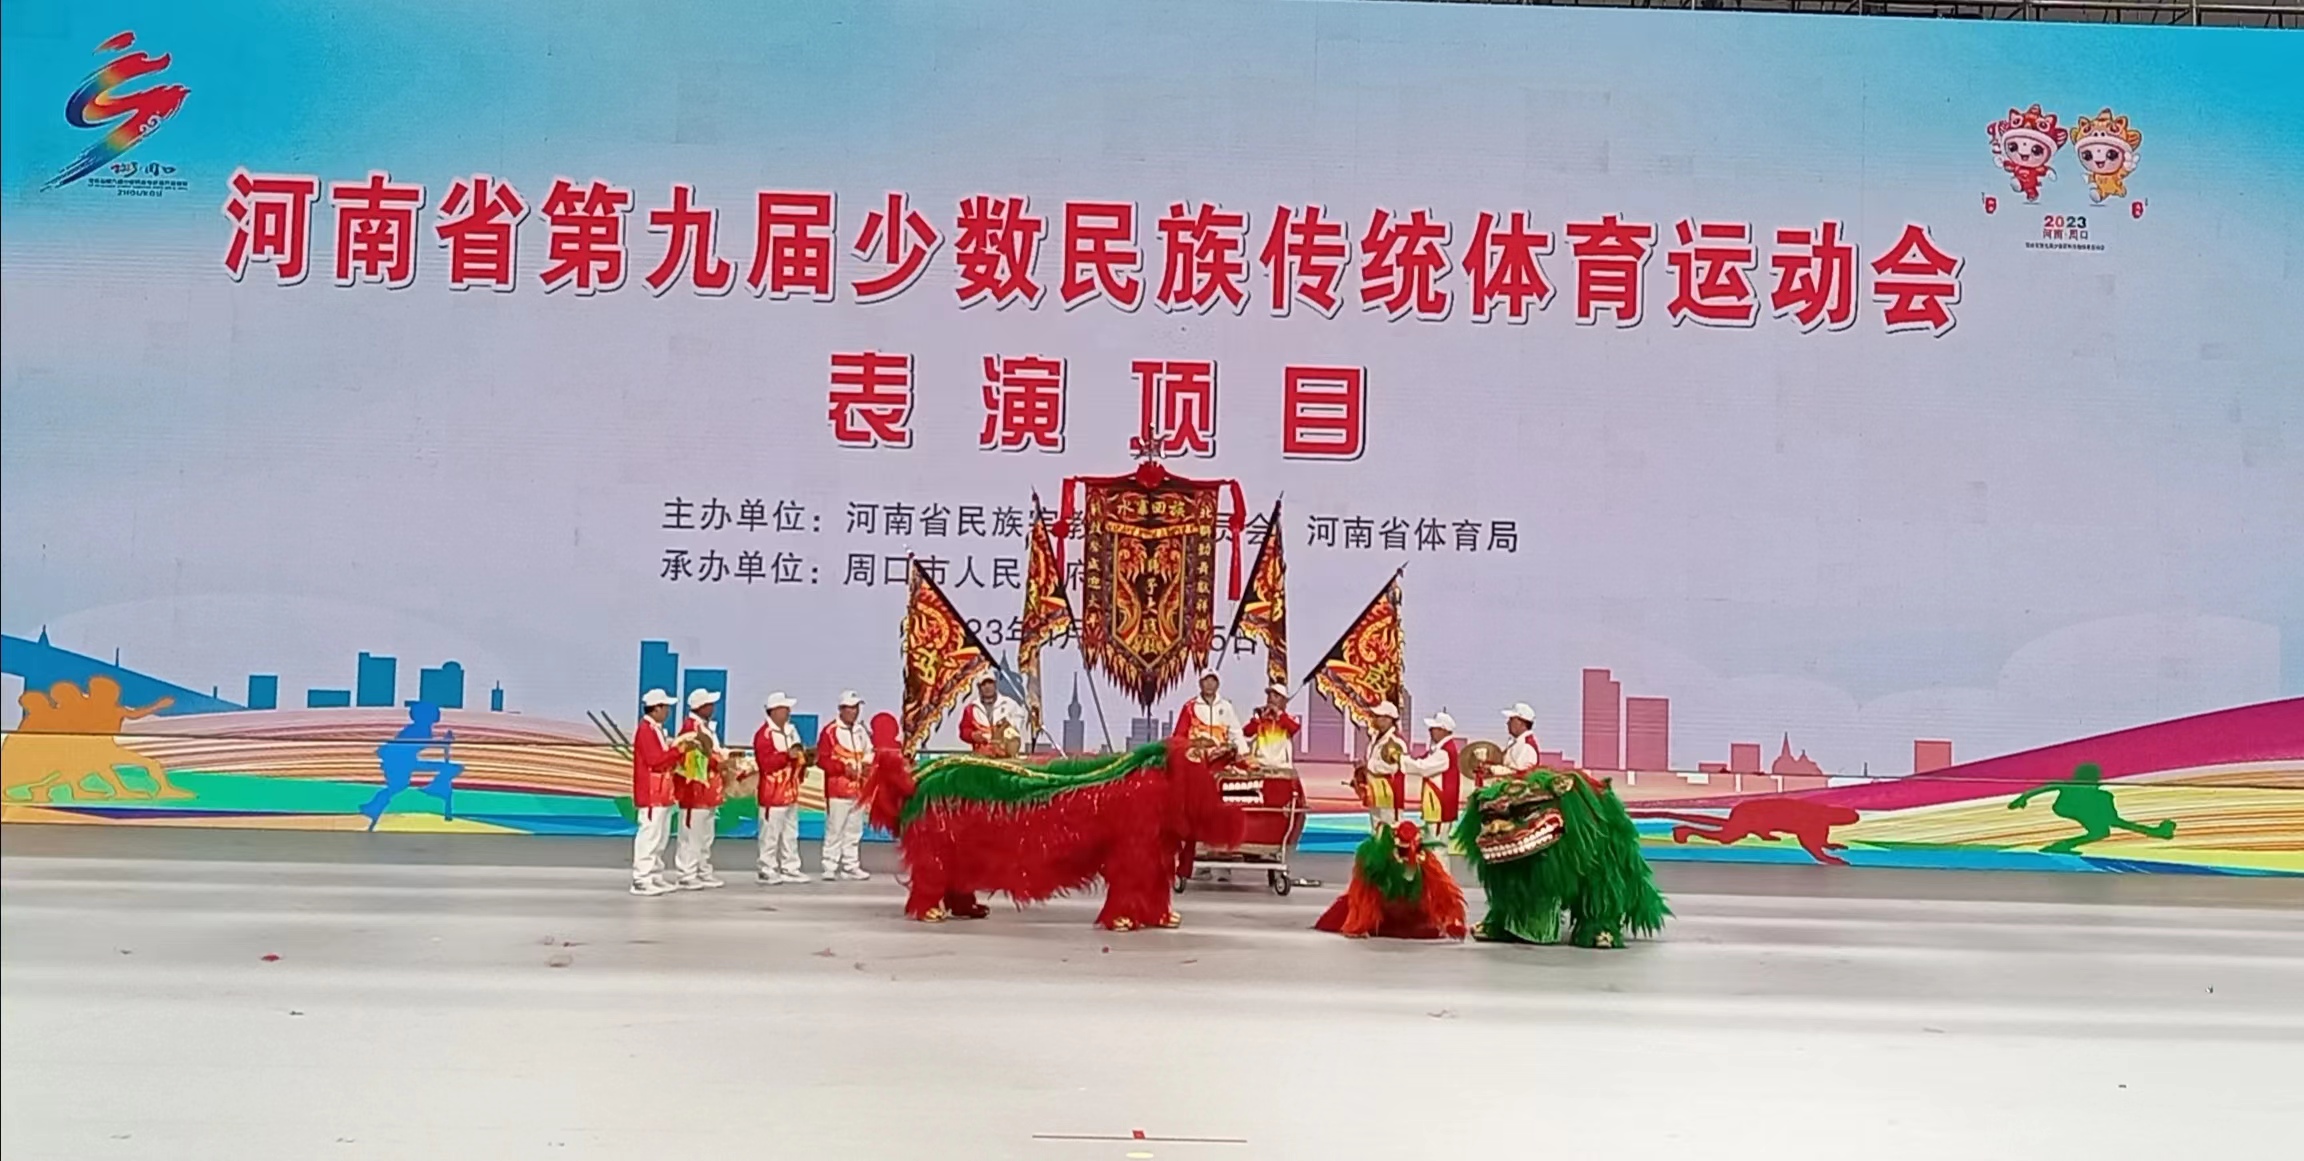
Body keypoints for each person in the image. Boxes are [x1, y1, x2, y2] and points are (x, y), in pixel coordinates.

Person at [362, 701, 464, 830]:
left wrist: (443, 742)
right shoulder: (419, 729)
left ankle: (437, 786)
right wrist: (444, 742)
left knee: (397, 786)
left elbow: (421, 744)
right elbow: (417, 744)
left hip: (405, 762)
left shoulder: (421, 729)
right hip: (399, 763)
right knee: (397, 786)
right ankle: (373, 807)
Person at [629, 689, 691, 896]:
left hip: (662, 792)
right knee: (650, 836)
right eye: (665, 707)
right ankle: (641, 879)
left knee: (660, 837)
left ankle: (654, 875)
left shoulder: (655, 730)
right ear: (656, 708)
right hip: (651, 793)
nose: (668, 712)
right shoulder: (646, 730)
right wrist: (677, 751)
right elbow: (655, 760)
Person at [670, 688, 728, 890]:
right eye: (709, 704)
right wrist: (717, 763)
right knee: (691, 834)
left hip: (709, 788)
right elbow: (694, 758)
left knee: (705, 834)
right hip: (694, 789)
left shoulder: (704, 727)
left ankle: (702, 870)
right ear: (701, 707)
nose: (713, 707)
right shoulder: (690, 729)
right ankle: (687, 873)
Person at [752, 692, 807, 884]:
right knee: (770, 833)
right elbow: (765, 763)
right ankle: (766, 869)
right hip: (772, 793)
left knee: (790, 832)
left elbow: (797, 755)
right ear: (773, 711)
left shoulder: (792, 730)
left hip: (791, 790)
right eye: (784, 708)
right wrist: (786, 756)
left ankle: (790, 867)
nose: (788, 711)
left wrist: (803, 761)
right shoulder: (764, 735)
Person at [817, 691, 872, 881]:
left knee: (854, 830)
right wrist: (842, 769)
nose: (854, 712)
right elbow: (822, 760)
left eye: (856, 708)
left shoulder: (861, 731)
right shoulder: (830, 731)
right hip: (837, 790)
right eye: (850, 708)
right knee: (835, 829)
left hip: (859, 789)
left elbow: (869, 751)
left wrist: (867, 765)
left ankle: (850, 866)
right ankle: (829, 866)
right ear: (841, 709)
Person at [1400, 711, 1465, 834]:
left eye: (1434, 728)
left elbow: (1424, 768)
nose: (1430, 731)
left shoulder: (1444, 752)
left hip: (1440, 805)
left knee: (1436, 839)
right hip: (1435, 803)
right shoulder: (1439, 749)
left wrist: (1401, 760)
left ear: (1443, 730)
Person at [1357, 701, 1407, 832]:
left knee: (1391, 830)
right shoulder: (1375, 737)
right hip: (1375, 791)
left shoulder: (1396, 741)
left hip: (1390, 794)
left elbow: (1393, 767)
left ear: (1389, 719)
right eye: (1376, 716)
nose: (1376, 719)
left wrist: (1369, 766)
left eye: (1379, 716)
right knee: (1376, 829)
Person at [1172, 671, 1246, 760]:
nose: (1209, 684)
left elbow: (1236, 733)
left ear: (1218, 684)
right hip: (1196, 758)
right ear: (1200, 684)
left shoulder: (1226, 706)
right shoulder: (1189, 707)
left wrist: (1243, 753)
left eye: (1213, 680)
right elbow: (1179, 736)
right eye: (1206, 680)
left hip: (1221, 758)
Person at [958, 675, 1025, 757]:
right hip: (982, 756)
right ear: (979, 687)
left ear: (995, 684)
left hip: (1006, 755)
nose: (987, 687)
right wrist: (972, 735)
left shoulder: (1009, 704)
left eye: (990, 683)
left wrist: (1006, 725)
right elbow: (963, 731)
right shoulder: (971, 708)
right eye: (984, 684)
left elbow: (1019, 720)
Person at [1242, 683, 1300, 773]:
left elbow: (1293, 729)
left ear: (1283, 701)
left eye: (1276, 696)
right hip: (1260, 765)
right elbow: (1247, 732)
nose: (1271, 699)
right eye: (1269, 696)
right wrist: (1260, 719)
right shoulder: (1260, 718)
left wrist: (1279, 714)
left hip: (1282, 766)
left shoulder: (1290, 719)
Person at [1484, 702, 1545, 783]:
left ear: (1521, 723)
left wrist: (1494, 769)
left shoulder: (1526, 746)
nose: (1508, 723)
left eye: (1511, 719)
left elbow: (1524, 775)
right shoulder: (1517, 743)